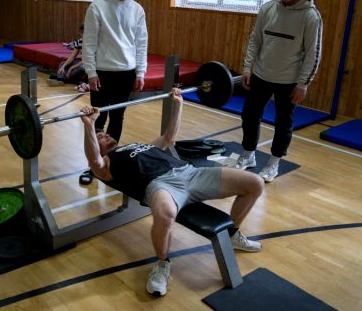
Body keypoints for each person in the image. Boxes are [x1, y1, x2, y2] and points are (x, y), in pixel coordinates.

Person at [80, 88, 264, 297]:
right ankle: (162, 265)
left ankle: (232, 233)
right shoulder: (106, 164)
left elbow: (168, 137)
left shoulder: (138, 145)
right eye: (100, 137)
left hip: (191, 173)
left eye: (103, 133)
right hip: (160, 185)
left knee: (255, 183)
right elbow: (93, 159)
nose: (105, 134)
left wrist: (178, 104)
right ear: (98, 147)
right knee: (165, 214)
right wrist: (89, 125)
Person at [235, 0, 322, 183]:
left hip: (289, 81)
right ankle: (248, 155)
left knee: (283, 122)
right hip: (261, 74)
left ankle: (273, 164)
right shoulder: (268, 9)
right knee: (249, 114)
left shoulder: (310, 17)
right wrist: (248, 67)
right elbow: (255, 40)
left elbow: (313, 53)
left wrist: (303, 83)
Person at [80, 0, 148, 184]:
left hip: (126, 73)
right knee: (97, 120)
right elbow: (88, 44)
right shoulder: (97, 7)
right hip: (102, 72)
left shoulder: (137, 10)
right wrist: (91, 72)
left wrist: (141, 72)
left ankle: (110, 163)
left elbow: (141, 43)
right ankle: (94, 164)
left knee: (118, 117)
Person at [47, 23, 87, 90]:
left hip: (88, 64)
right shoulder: (80, 41)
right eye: (82, 33)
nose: (83, 35)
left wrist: (71, 68)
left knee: (81, 68)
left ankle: (62, 79)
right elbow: (72, 57)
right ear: (80, 33)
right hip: (81, 62)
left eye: (85, 33)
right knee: (62, 63)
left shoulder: (91, 42)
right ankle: (62, 80)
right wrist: (63, 66)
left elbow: (86, 60)